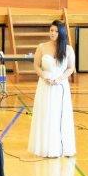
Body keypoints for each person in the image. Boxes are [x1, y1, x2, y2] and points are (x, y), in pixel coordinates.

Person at [28, 19, 75, 158]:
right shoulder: (42, 47)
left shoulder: (68, 49)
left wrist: (60, 79)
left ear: (61, 33)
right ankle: (45, 147)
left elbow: (70, 68)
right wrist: (44, 76)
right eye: (51, 30)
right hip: (45, 85)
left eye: (56, 31)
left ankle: (59, 147)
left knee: (59, 115)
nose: (53, 33)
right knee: (45, 114)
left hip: (60, 86)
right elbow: (36, 65)